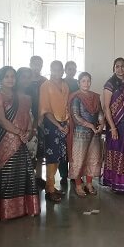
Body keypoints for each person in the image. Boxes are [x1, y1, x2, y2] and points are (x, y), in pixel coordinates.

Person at [0, 67, 39, 219]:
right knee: (6, 173)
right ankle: (3, 211)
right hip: (2, 140)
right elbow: (0, 119)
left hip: (21, 139)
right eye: (6, 76)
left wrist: (28, 132)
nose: (10, 79)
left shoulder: (23, 97)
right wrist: (19, 133)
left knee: (21, 173)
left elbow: (28, 117)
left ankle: (21, 209)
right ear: (0, 79)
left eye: (12, 76)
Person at [102, 58, 124, 193]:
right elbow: (106, 108)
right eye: (117, 66)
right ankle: (115, 182)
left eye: (122, 66)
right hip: (115, 124)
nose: (120, 69)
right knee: (116, 150)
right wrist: (112, 128)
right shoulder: (110, 84)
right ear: (114, 68)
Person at [67, 72, 105, 197]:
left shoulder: (95, 97)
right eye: (83, 81)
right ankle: (78, 185)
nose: (86, 83)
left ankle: (89, 184)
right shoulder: (76, 97)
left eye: (88, 81)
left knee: (93, 158)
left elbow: (100, 112)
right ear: (78, 83)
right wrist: (90, 125)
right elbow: (76, 116)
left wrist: (101, 124)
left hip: (95, 133)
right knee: (79, 160)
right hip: (80, 134)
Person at [39, 60, 70, 202]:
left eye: (60, 69)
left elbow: (68, 106)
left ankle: (51, 186)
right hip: (51, 125)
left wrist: (67, 123)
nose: (58, 72)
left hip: (64, 123)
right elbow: (45, 109)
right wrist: (58, 125)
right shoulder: (45, 86)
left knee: (59, 156)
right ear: (50, 70)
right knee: (51, 157)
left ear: (63, 70)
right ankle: (50, 190)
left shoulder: (65, 85)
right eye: (55, 69)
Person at [27, 56, 47, 168]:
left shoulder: (44, 81)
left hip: (41, 115)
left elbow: (47, 101)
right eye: (34, 64)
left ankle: (38, 174)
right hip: (26, 115)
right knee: (27, 143)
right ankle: (27, 173)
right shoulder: (25, 79)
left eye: (39, 64)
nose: (37, 67)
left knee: (40, 146)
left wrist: (41, 116)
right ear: (30, 64)